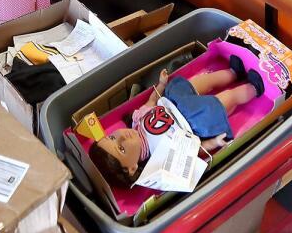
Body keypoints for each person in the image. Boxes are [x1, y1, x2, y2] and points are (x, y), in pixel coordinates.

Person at [89, 62, 265, 187]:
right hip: (193, 120)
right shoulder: (159, 157)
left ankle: (233, 73)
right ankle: (254, 88)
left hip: (175, 101)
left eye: (112, 136)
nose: (122, 137)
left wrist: (162, 84)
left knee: (194, 83)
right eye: (122, 149)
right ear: (133, 168)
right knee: (222, 102)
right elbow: (190, 151)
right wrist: (213, 143)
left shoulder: (137, 121)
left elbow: (152, 101)